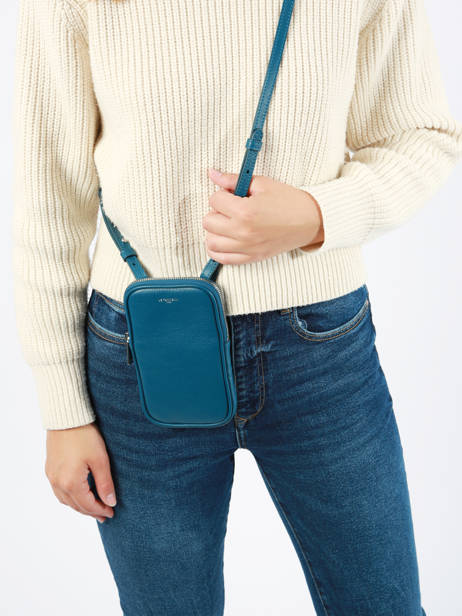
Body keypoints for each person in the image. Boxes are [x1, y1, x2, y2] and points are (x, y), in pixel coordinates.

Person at [12, 0, 462, 614]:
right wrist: (63, 411)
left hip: (321, 350)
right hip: (139, 356)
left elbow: (421, 135)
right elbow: (48, 196)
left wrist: (316, 214)